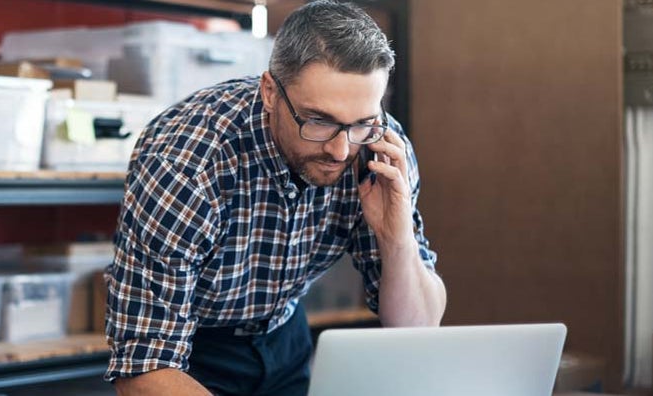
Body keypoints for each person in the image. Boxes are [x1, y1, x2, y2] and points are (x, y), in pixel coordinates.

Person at [105, 1, 447, 395]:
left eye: (363, 123)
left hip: (284, 331)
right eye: (319, 121)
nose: (340, 151)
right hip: (193, 348)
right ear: (270, 92)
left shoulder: (381, 150)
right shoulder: (187, 162)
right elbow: (144, 370)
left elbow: (417, 330)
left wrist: (396, 237)